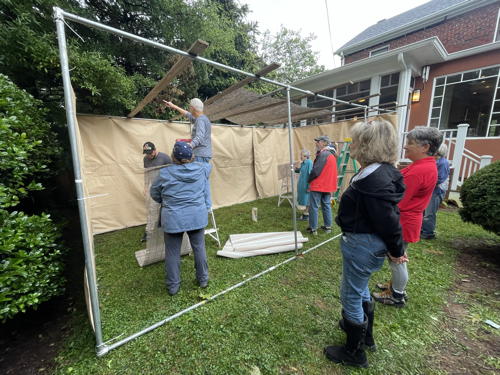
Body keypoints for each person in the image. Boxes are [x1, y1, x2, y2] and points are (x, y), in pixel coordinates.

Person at [324, 119, 406, 368]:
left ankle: (354, 352)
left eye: (357, 140)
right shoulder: (377, 171)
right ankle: (364, 335)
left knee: (349, 294)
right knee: (359, 289)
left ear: (367, 144)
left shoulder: (374, 180)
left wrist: (397, 250)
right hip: (364, 242)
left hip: (363, 244)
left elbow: (388, 220)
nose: (352, 145)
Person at [372, 126, 443, 307]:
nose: (405, 147)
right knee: (397, 257)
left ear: (425, 147)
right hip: (406, 220)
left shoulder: (421, 170)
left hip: (403, 221)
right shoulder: (422, 166)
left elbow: (399, 200)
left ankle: (397, 295)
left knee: (397, 259)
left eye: (410, 143)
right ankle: (395, 285)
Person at [150, 141, 211, 296]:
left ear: (173, 157)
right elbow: (205, 191)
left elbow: (154, 193)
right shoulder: (202, 169)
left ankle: (173, 287)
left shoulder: (164, 173)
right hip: (197, 216)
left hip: (173, 218)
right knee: (199, 248)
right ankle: (203, 279)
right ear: (191, 156)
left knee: (172, 252)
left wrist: (166, 202)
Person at [163, 98, 212, 209]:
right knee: (201, 180)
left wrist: (187, 147)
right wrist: (174, 106)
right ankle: (204, 205)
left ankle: (207, 206)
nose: (189, 109)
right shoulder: (201, 118)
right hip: (202, 154)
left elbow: (199, 137)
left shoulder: (200, 120)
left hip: (200, 154)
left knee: (201, 181)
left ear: (193, 108)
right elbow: (189, 115)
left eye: (190, 107)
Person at [307, 135, 338, 235]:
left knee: (314, 207)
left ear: (324, 143)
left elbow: (316, 171)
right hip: (327, 185)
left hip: (318, 184)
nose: (316, 143)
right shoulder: (331, 154)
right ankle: (328, 227)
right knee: (326, 205)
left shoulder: (323, 154)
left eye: (318, 141)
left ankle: (313, 229)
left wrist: (309, 180)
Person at [142, 142, 172, 242]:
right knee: (152, 210)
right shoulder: (145, 159)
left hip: (165, 186)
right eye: (146, 153)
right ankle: (148, 232)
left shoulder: (165, 158)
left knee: (166, 209)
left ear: (155, 150)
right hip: (153, 186)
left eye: (150, 153)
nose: (148, 155)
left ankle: (167, 230)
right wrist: (146, 186)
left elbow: (173, 171)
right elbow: (146, 173)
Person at [421, 143, 450, 239]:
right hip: (430, 190)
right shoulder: (435, 161)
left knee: (430, 213)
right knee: (424, 212)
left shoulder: (443, 162)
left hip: (436, 191)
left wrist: (425, 182)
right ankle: (423, 230)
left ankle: (428, 233)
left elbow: (440, 179)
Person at [294, 150, 313, 221]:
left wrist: (309, 186)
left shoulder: (309, 163)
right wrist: (297, 166)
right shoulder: (303, 163)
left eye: (301, 155)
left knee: (307, 200)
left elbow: (310, 174)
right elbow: (298, 171)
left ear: (305, 156)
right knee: (305, 200)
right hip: (302, 184)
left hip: (306, 184)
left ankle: (306, 215)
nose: (300, 157)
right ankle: (305, 214)